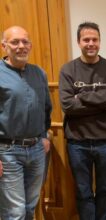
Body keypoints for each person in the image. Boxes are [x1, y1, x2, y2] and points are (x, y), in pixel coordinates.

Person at [59, 22, 106, 220]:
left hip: (105, 140)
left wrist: (82, 96)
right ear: (79, 42)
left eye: (94, 39)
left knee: (105, 189)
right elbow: (68, 105)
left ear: (99, 42)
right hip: (77, 142)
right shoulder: (68, 70)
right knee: (83, 191)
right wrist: (99, 100)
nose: (90, 43)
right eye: (86, 39)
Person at [0, 26, 52, 219]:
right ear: (4, 46)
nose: (21, 46)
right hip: (7, 152)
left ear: (30, 45)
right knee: (15, 212)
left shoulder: (39, 73)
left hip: (37, 149)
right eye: (15, 42)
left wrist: (45, 136)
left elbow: (46, 107)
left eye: (25, 42)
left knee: (30, 206)